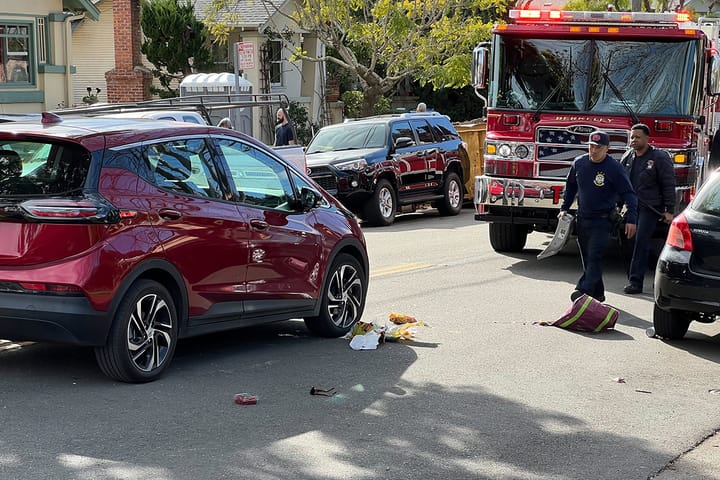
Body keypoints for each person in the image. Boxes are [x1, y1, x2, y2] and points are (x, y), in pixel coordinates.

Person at [559, 130, 638, 303]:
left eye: (598, 147)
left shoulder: (614, 168)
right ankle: (598, 293)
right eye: (591, 146)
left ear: (607, 148)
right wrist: (564, 208)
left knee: (595, 256)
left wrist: (632, 219)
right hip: (582, 219)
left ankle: (582, 291)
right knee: (587, 258)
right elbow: (571, 186)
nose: (593, 151)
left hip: (603, 221)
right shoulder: (579, 163)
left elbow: (629, 194)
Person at [620, 123, 676, 294]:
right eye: (632, 137)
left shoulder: (659, 157)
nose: (633, 140)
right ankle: (640, 274)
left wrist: (669, 209)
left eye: (637, 137)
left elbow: (668, 184)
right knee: (627, 242)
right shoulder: (628, 157)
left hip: (650, 207)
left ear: (647, 138)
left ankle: (636, 282)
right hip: (631, 207)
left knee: (641, 241)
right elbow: (620, 182)